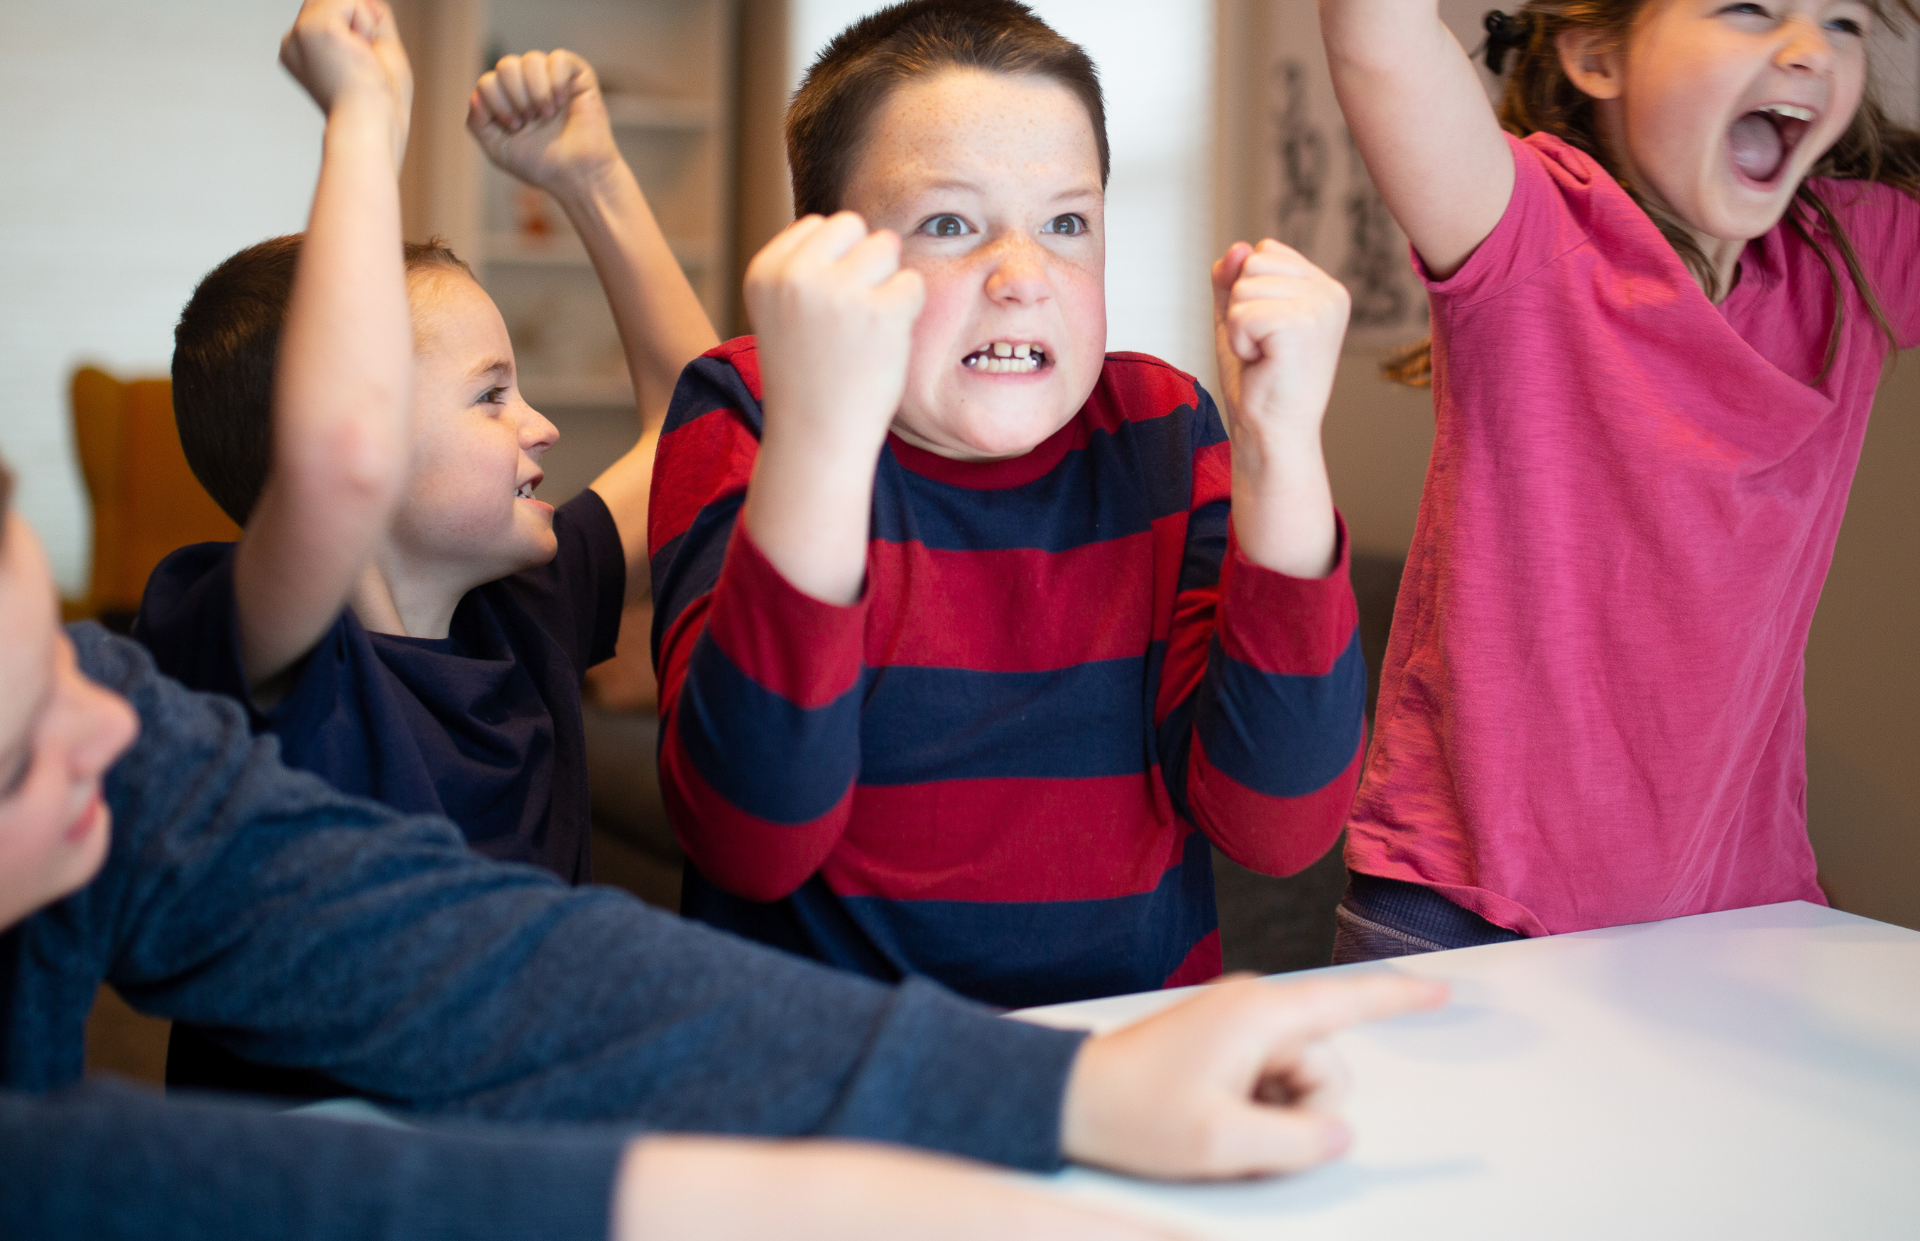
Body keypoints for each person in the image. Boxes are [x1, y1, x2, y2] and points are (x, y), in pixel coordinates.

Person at [0, 461, 1446, 1239]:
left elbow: (485, 964)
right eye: (18, 754)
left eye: (76, 668)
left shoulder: (115, 731)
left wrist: (1068, 1084)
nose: (105, 742)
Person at [1315, 0, 1920, 959]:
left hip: (1735, 916)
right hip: (1464, 912)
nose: (1811, 51)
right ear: (1596, 56)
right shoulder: (1536, 235)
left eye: (1842, 20)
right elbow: (1371, 30)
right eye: (1752, 9)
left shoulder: (1849, 257)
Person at [650, 0, 1367, 1007]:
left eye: (1067, 221)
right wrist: (822, 430)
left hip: (1124, 1058)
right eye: (951, 223)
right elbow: (751, 835)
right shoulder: (751, 408)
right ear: (829, 262)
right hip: (833, 1074)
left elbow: (1279, 826)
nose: (1025, 275)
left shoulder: (1164, 429)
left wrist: (1282, 445)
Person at [130, 0, 715, 1086]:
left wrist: (589, 177)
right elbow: (336, 457)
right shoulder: (256, 655)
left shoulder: (522, 604)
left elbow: (711, 439)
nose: (540, 426)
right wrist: (362, 115)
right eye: (491, 395)